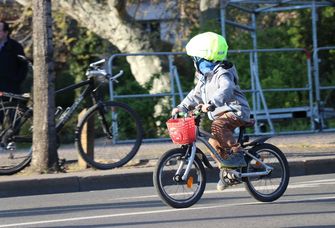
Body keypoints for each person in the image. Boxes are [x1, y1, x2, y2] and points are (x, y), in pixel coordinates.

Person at [171, 32, 252, 190]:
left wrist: (211, 103)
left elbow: (226, 89)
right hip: (221, 113)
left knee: (218, 126)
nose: (194, 63)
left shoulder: (222, 72)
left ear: (204, 59)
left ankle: (237, 155)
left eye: (196, 59)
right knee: (213, 143)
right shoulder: (204, 77)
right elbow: (194, 95)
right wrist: (182, 107)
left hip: (236, 110)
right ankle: (228, 173)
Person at [0, 20, 27, 94]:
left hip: (10, 90)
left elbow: (23, 66)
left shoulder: (15, 47)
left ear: (6, 32)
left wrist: (16, 81)